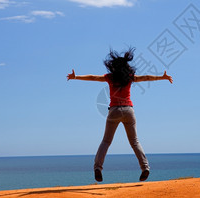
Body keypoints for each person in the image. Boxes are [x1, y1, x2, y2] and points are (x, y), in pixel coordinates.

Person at [67, 48, 173, 182]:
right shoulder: (129, 77)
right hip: (129, 111)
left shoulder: (110, 77)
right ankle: (145, 167)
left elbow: (93, 77)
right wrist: (162, 77)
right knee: (134, 142)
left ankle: (98, 168)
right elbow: (146, 77)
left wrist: (76, 77)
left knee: (106, 141)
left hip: (114, 111)